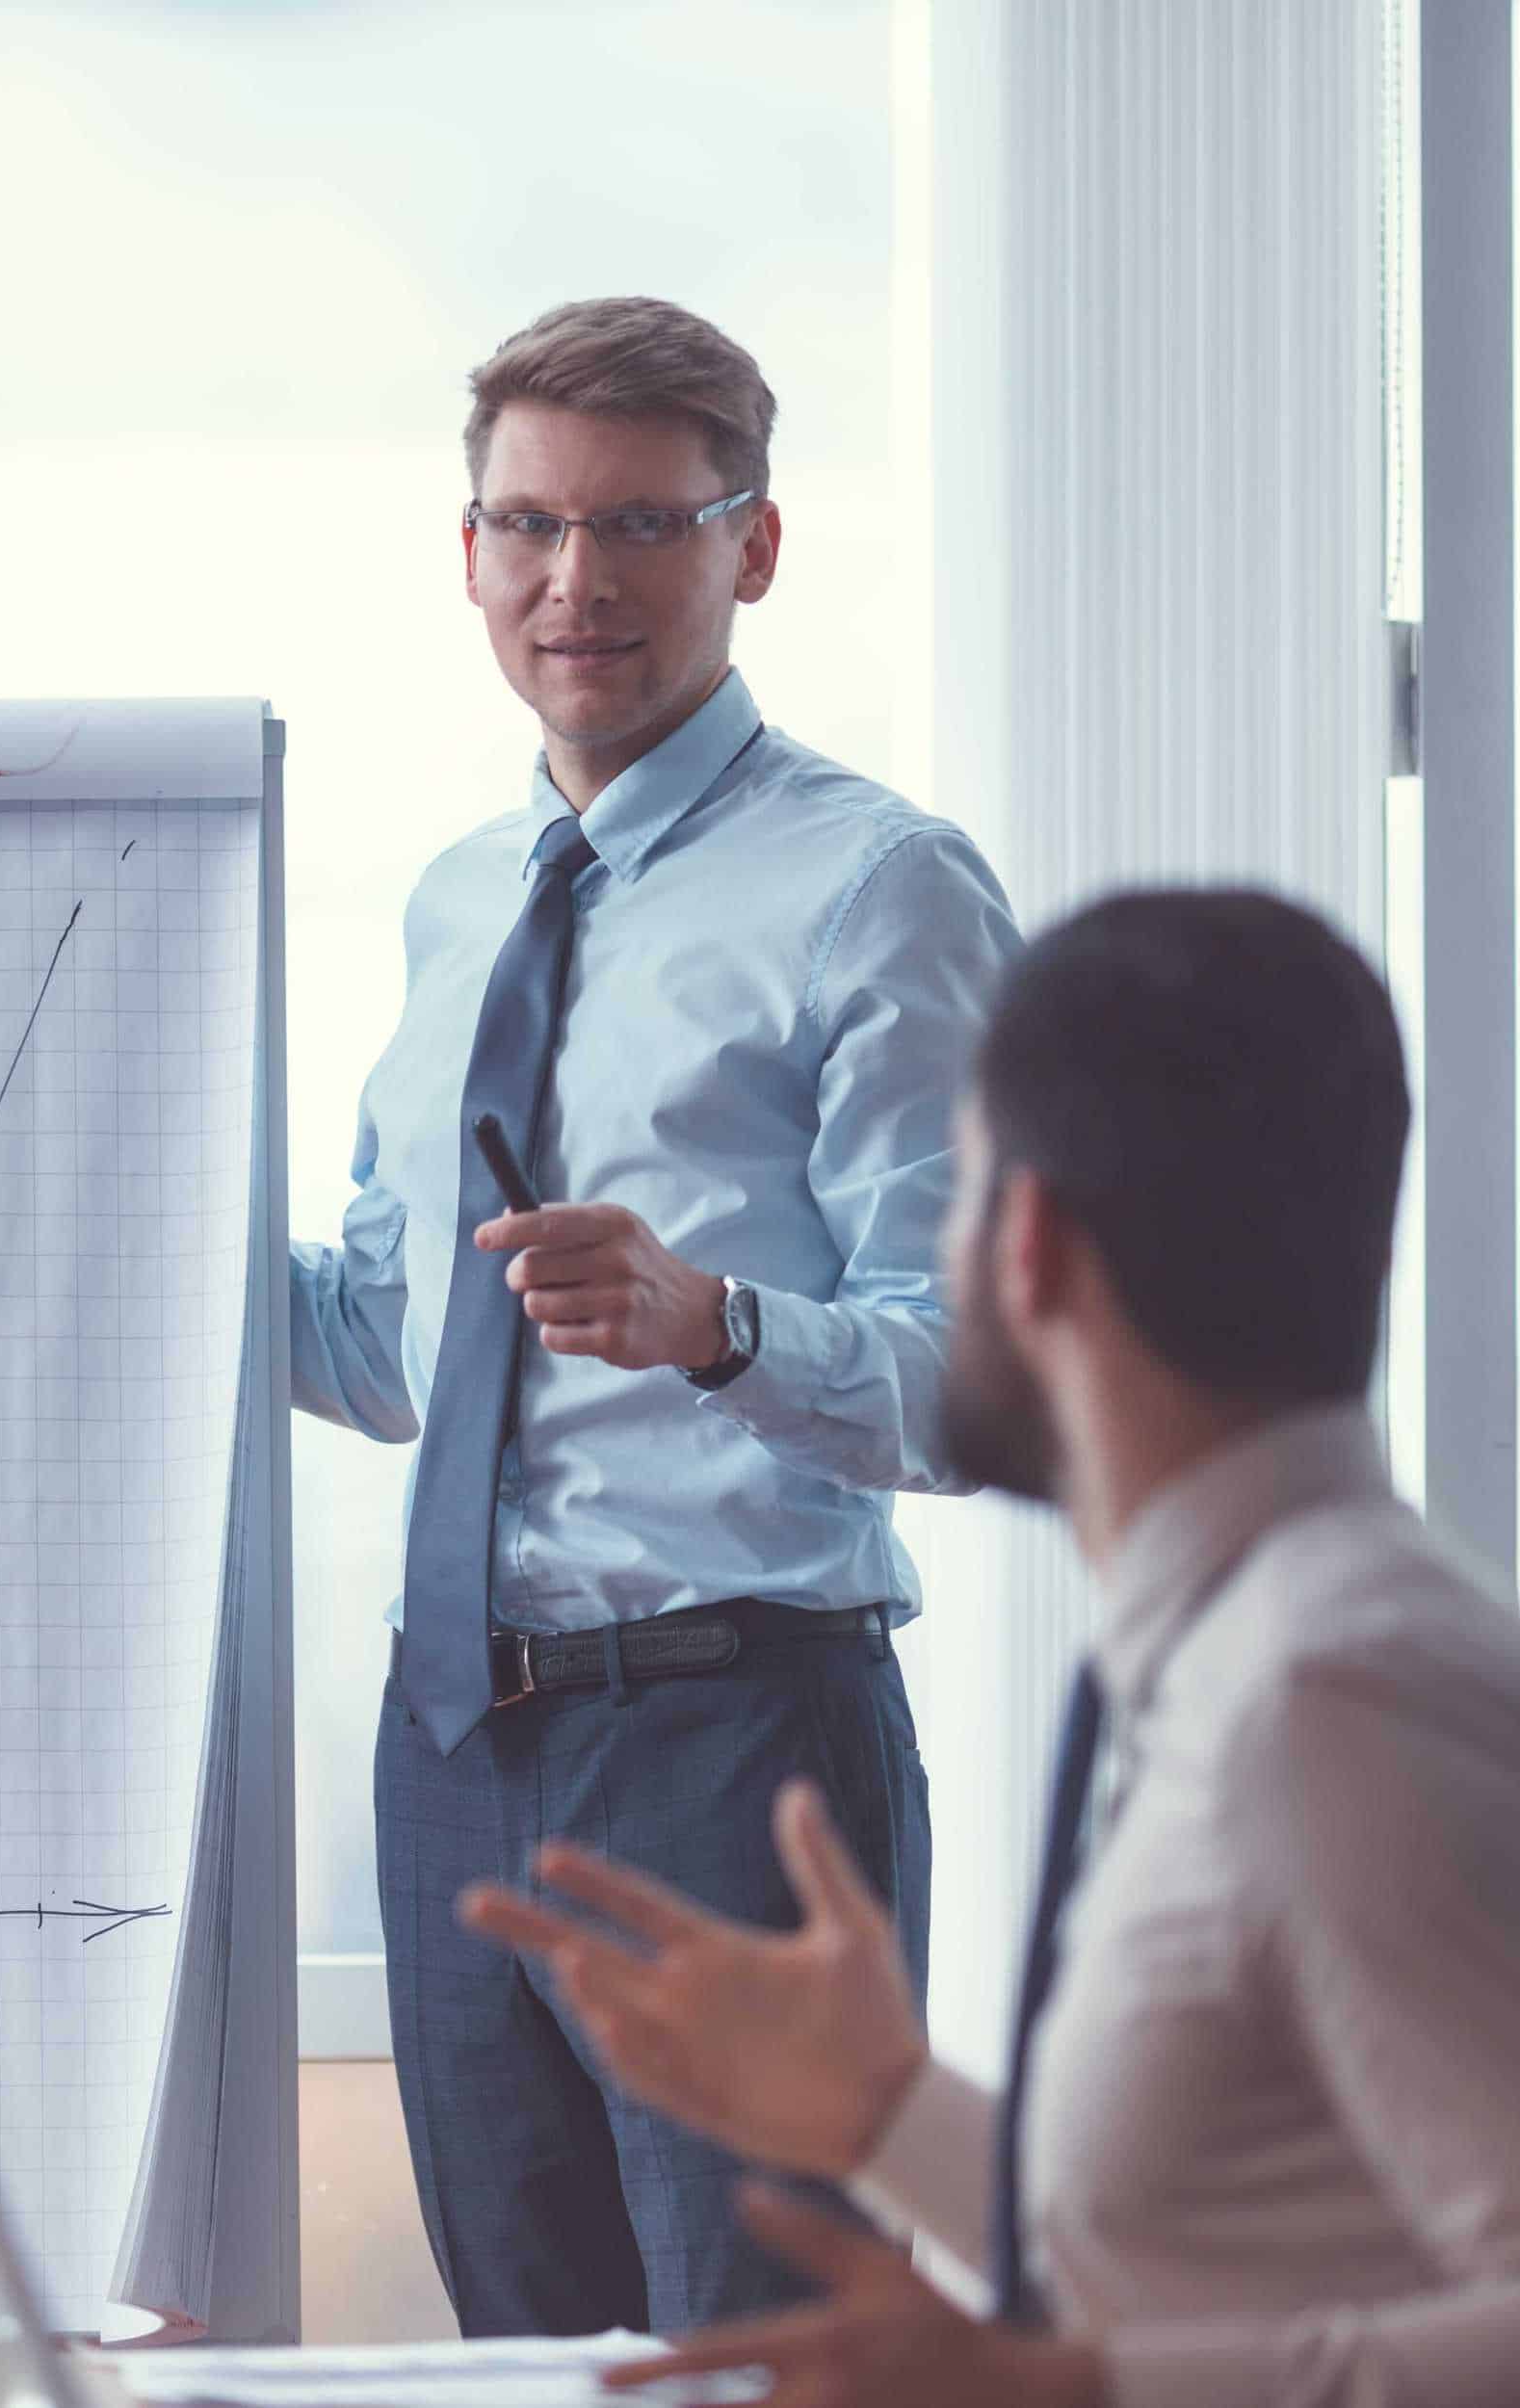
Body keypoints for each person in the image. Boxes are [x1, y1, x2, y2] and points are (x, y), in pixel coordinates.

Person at [463, 891, 1520, 2407]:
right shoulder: (1233, 1665)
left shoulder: (1335, 1693)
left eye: (951, 1196)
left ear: (1023, 1241)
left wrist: (1065, 2395)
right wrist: (886, 2111)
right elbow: (1215, 2256)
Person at [293, 295, 1019, 2331]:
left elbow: (982, 1384)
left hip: (732, 1735)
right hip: (448, 1739)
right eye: (525, 524)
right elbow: (383, 1342)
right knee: (534, 2367)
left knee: (769, 2362)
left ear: (753, 545)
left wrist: (713, 1322)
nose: (572, 581)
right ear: (467, 553)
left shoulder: (882, 887)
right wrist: (135, 1251)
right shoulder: (455, 901)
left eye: (638, 526)